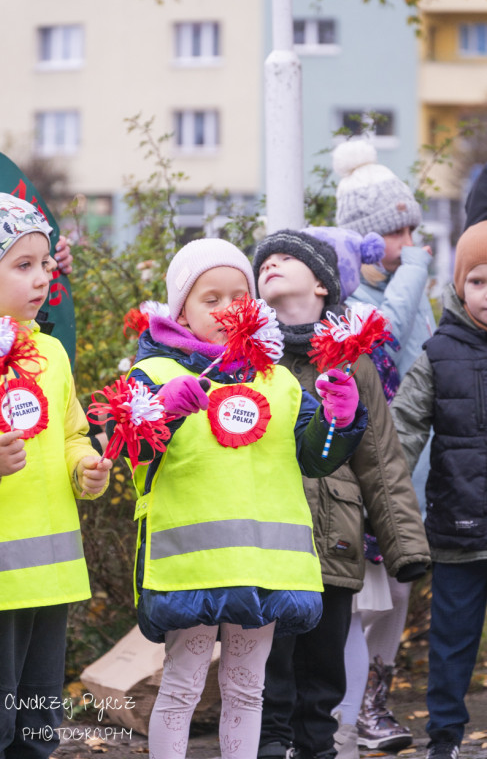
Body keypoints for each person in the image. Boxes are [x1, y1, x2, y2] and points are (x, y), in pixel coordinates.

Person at [122, 237, 368, 759]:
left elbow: (315, 458)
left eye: (239, 295)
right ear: (181, 311)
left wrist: (338, 419)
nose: (227, 308)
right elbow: (132, 454)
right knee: (184, 685)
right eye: (210, 298)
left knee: (246, 690)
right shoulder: (155, 374)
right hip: (192, 568)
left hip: (265, 566)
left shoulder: (278, 381)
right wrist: (162, 409)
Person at [252, 228, 430, 759]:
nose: (271, 264)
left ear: (324, 285)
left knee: (323, 679)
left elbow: (381, 458)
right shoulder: (249, 356)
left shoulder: (353, 362)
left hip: (334, 542)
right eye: (263, 261)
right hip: (268, 543)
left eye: (286, 257)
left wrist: (405, 547)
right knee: (268, 675)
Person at [0, 192, 111, 758]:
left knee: (37, 726)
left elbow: (73, 433)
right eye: (21, 264)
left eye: (46, 265)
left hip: (51, 577)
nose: (40, 279)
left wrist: (86, 466)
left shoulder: (52, 353)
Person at [331, 138, 435, 750]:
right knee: (361, 596)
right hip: (369, 475)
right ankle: (350, 713)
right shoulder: (355, 298)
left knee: (398, 590)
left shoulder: (410, 288)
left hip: (413, 476)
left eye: (413, 229)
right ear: (368, 240)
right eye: (398, 232)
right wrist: (416, 270)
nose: (410, 244)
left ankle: (375, 703)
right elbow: (387, 335)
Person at [390, 221, 487, 759]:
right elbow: (403, 430)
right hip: (457, 528)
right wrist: (388, 507)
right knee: (451, 643)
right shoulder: (439, 352)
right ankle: (445, 738)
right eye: (477, 281)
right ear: (457, 286)